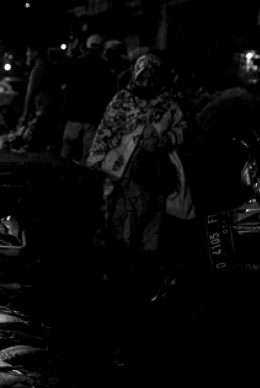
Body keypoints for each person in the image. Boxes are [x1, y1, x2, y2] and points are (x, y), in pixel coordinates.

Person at [85, 52, 186, 286]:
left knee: (150, 220)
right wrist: (97, 162)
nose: (147, 83)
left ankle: (142, 273)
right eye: (143, 78)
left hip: (153, 172)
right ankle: (117, 269)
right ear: (136, 76)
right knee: (118, 219)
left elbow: (182, 127)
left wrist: (168, 138)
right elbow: (106, 130)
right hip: (121, 171)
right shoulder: (122, 100)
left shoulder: (169, 101)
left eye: (152, 78)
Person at [61, 33, 116, 162]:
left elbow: (68, 91)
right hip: (92, 120)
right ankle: (81, 181)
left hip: (74, 118)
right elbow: (108, 95)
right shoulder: (105, 68)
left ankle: (62, 179)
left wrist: (66, 114)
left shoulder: (77, 65)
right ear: (102, 49)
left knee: (66, 155)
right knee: (87, 158)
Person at [18, 41, 61, 151]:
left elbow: (30, 94)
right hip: (52, 111)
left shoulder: (38, 68)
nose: (27, 54)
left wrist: (25, 116)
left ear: (35, 52)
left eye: (28, 51)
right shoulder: (48, 65)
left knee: (35, 149)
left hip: (44, 113)